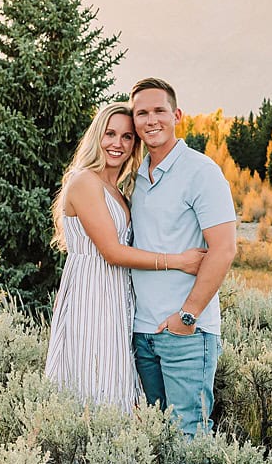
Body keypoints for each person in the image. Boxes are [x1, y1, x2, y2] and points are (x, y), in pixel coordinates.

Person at [44, 102, 206, 411]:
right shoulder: (85, 181)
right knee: (92, 384)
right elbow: (113, 252)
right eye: (110, 134)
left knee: (116, 383)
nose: (117, 144)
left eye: (127, 137)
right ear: (96, 137)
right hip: (91, 295)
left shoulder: (117, 189)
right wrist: (179, 260)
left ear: (135, 144)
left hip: (116, 297)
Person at [127, 77, 238, 435]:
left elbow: (224, 248)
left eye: (159, 110)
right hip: (142, 332)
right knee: (156, 438)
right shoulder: (136, 177)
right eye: (141, 113)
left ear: (177, 115)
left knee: (189, 436)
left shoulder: (201, 171)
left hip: (186, 333)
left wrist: (187, 316)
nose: (151, 120)